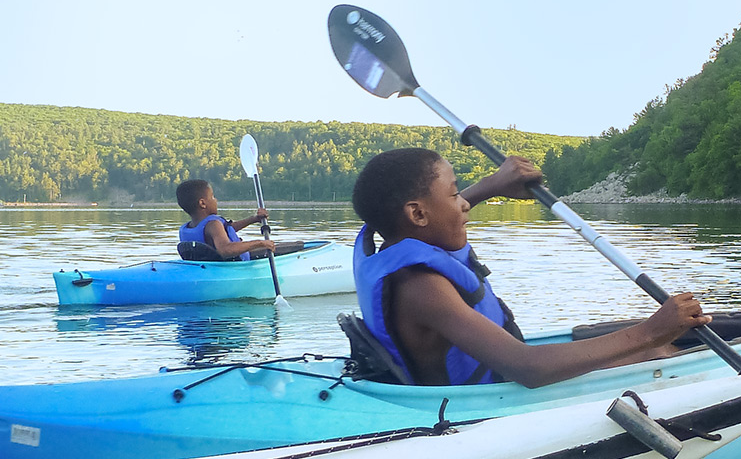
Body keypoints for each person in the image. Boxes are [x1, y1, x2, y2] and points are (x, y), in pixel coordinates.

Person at [351, 148, 711, 388]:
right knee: (655, 352)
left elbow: (433, 216)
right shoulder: (422, 287)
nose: (464, 204)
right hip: (495, 398)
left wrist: (493, 185)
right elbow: (528, 367)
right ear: (416, 213)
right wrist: (651, 331)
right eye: (455, 193)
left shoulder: (393, 245)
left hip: (495, 376)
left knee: (644, 341)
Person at [176, 179, 275, 261]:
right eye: (212, 196)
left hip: (208, 268)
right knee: (285, 248)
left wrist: (253, 219)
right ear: (202, 203)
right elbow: (225, 249)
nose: (216, 200)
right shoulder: (213, 224)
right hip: (234, 268)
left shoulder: (189, 227)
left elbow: (226, 230)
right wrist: (260, 243)